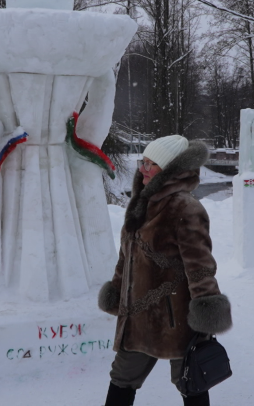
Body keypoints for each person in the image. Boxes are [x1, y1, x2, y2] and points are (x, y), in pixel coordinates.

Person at [98, 135, 232, 406]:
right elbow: (126, 258)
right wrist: (117, 289)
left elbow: (200, 267)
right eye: (143, 161)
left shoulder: (185, 208)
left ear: (170, 169)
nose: (143, 169)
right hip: (137, 318)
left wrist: (205, 312)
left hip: (177, 321)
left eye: (151, 164)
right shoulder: (141, 204)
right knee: (121, 379)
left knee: (191, 382)